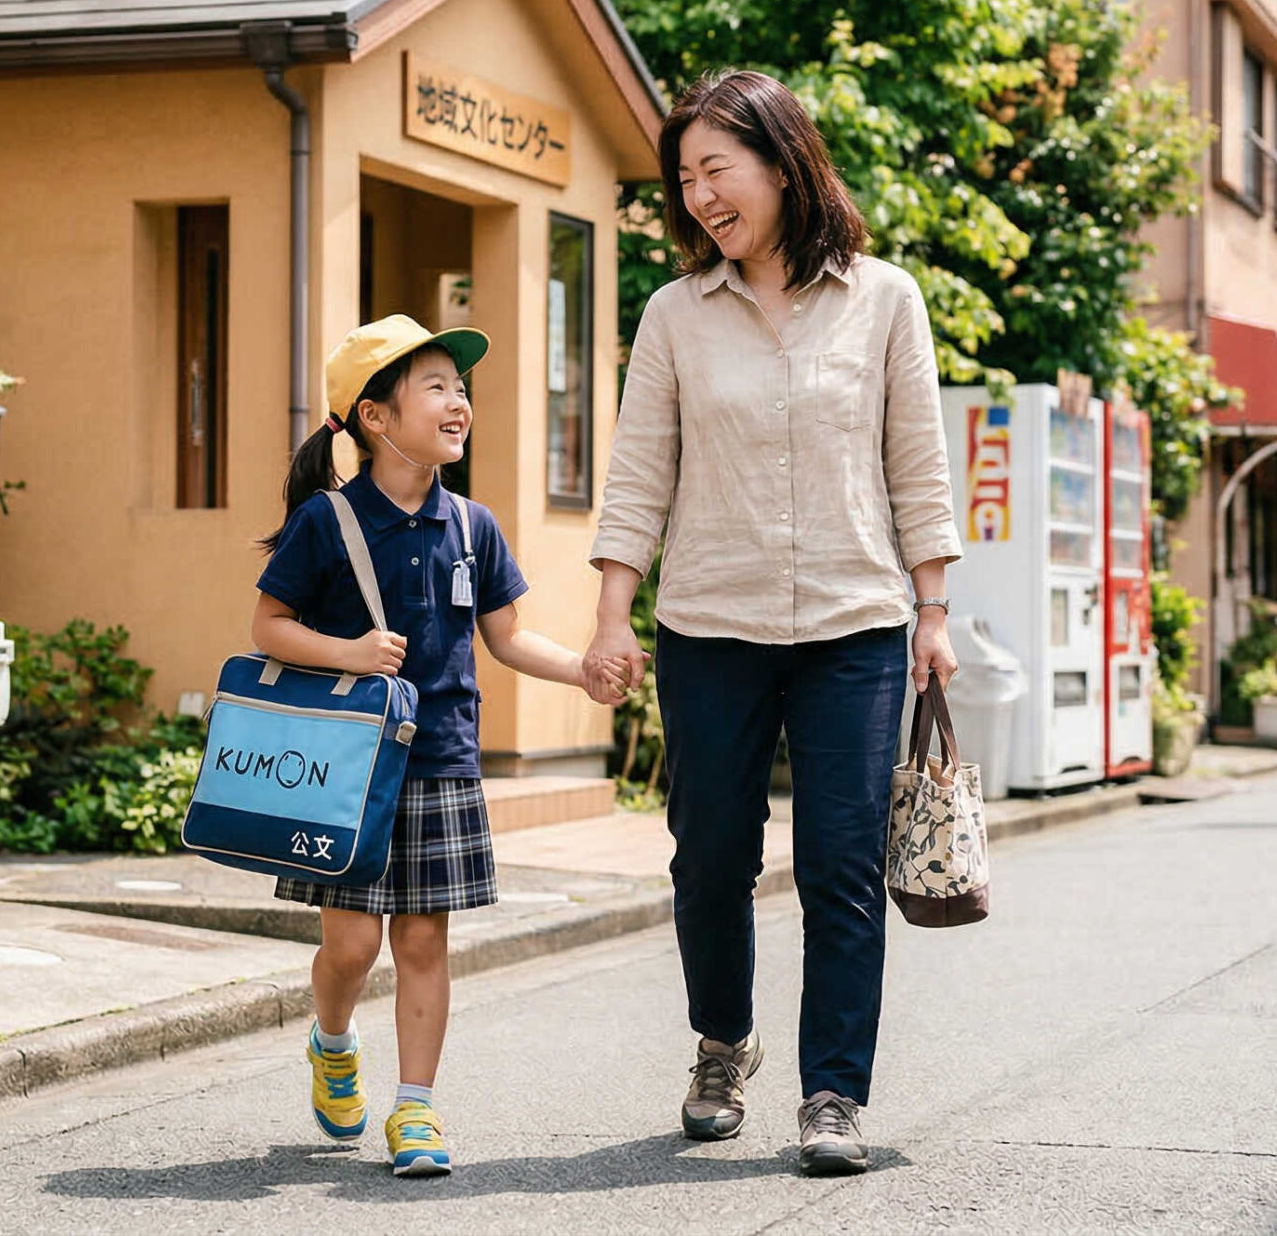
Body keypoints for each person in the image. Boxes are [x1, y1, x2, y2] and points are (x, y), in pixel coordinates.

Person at [584, 70, 962, 1178]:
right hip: (710, 623)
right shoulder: (673, 314)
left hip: (854, 621)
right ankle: (723, 1041)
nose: (700, 195)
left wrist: (933, 609)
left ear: (783, 162)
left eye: (718, 168)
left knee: (840, 862)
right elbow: (638, 474)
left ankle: (833, 1091)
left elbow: (918, 465)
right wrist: (612, 616)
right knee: (710, 856)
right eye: (685, 178)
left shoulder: (885, 299)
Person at [252, 316, 620, 1178]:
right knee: (352, 947)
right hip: (349, 768)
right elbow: (268, 626)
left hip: (444, 759)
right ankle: (332, 1041)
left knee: (422, 943)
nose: (458, 402)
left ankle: (414, 1107)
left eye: (461, 388)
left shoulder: (472, 525)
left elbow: (507, 636)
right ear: (376, 416)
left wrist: (583, 670)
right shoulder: (327, 520)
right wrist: (347, 653)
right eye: (436, 387)